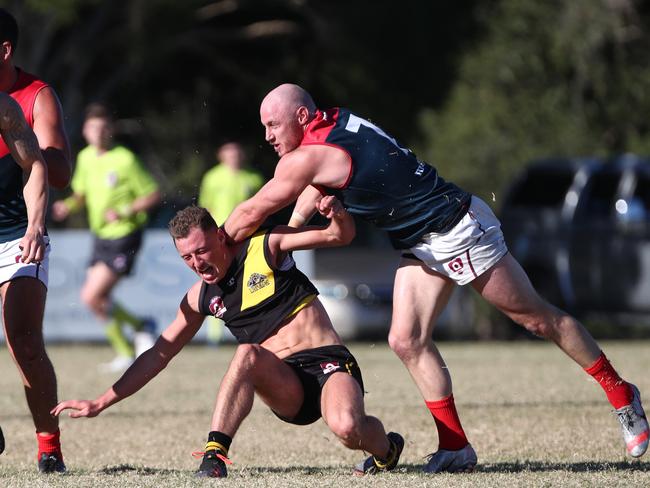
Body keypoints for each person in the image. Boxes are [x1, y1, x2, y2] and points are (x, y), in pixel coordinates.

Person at [221, 83, 649, 472]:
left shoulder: (309, 154)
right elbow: (315, 187)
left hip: (456, 228)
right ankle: (456, 447)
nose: (267, 136)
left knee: (537, 319)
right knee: (405, 340)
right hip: (422, 241)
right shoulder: (332, 125)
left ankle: (622, 394)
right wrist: (292, 238)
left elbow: (254, 210)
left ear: (300, 117)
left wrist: (217, 244)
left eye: (272, 124)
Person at [52, 198, 404, 478]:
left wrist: (337, 213)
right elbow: (158, 354)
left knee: (347, 428)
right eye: (186, 257)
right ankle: (214, 455)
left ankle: (387, 450)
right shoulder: (199, 299)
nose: (196, 263)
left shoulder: (266, 248)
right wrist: (101, 401)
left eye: (201, 251)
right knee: (247, 353)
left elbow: (338, 236)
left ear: (220, 236)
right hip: (284, 384)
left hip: (327, 361)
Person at [0, 8, 71, 473]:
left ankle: (48, 445)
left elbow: (56, 171)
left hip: (16, 230)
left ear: (3, 50)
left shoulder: (32, 97)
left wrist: (22, 140)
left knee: (23, 339)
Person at [51, 103, 161, 372]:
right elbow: (81, 194)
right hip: (100, 236)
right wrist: (68, 206)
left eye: (102, 128)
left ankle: (132, 340)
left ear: (110, 131)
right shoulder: (87, 158)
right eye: (92, 128)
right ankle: (138, 331)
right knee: (98, 299)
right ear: (86, 132)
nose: (98, 133)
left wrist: (125, 210)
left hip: (125, 234)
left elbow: (152, 194)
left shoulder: (125, 159)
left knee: (91, 296)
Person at [198, 141, 264, 345]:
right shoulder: (212, 177)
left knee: (250, 280)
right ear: (221, 156)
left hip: (245, 235)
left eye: (237, 154)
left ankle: (254, 330)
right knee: (217, 280)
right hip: (219, 235)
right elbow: (205, 207)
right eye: (230, 154)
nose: (234, 158)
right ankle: (214, 336)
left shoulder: (253, 178)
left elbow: (262, 206)